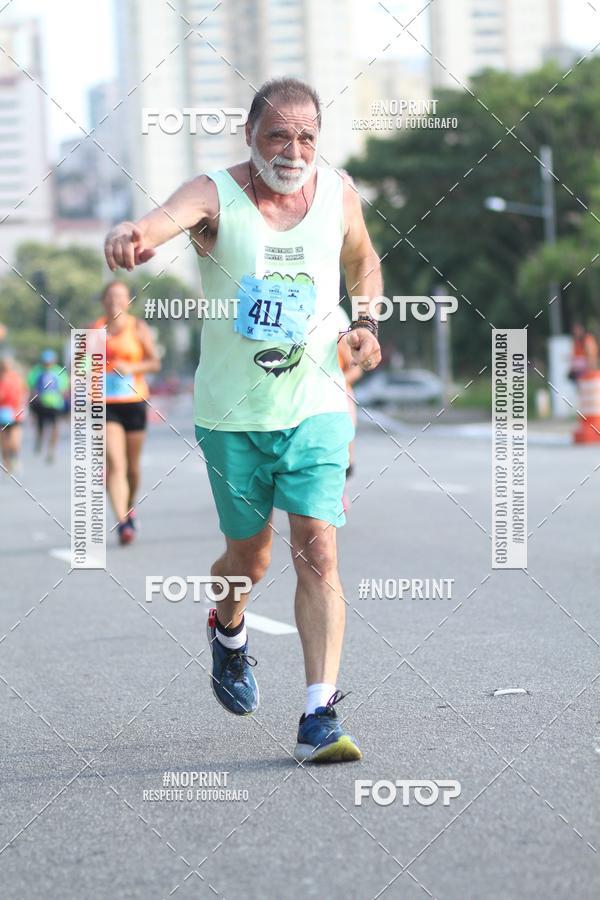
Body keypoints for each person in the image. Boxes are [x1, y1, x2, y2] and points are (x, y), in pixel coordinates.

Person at [104, 77, 382, 762]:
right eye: (278, 135)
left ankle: (318, 713)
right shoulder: (215, 195)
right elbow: (160, 221)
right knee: (248, 559)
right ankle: (228, 629)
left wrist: (368, 322)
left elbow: (362, 259)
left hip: (317, 404)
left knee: (317, 546)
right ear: (250, 136)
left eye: (307, 137)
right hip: (232, 415)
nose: (294, 150)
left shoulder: (338, 195)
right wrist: (133, 234)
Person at [89, 281, 160, 545]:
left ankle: (129, 506)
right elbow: (80, 365)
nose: (114, 301)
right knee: (115, 464)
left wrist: (131, 367)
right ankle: (122, 523)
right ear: (103, 301)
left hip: (134, 401)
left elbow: (154, 362)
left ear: (128, 301)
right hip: (104, 403)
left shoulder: (138, 327)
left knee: (132, 468)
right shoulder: (94, 330)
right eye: (110, 296)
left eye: (120, 297)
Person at [336, 304, 364, 512]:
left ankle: (342, 488)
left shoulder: (335, 320)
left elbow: (356, 370)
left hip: (340, 394)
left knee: (346, 445)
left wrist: (335, 383)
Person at [28, 349, 69, 463]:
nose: (47, 364)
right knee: (40, 426)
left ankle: (51, 450)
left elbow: (64, 390)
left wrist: (67, 408)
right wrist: (31, 405)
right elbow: (32, 388)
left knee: (55, 427)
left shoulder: (59, 371)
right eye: (45, 362)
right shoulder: (36, 371)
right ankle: (39, 440)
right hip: (40, 404)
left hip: (55, 404)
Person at [0, 354, 26, 474]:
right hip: (2, 413)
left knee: (15, 442)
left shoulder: (16, 377)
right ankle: (6, 465)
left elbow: (23, 392)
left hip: (15, 413)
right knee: (4, 442)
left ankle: (15, 458)